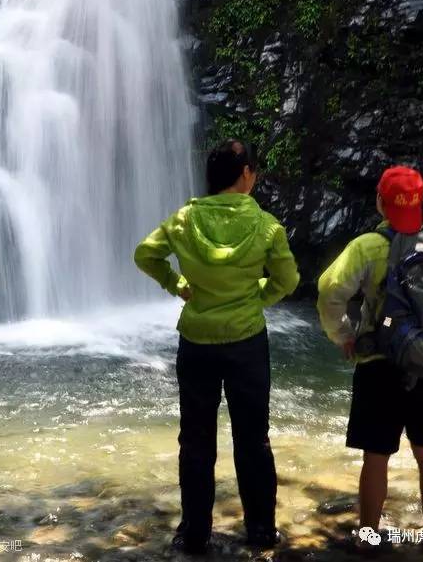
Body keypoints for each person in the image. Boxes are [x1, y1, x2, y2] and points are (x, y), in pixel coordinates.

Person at [134, 139, 299, 555]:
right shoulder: (265, 226)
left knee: (195, 440)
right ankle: (260, 530)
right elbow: (288, 281)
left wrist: (178, 285)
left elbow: (145, 255)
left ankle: (194, 532)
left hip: (197, 343)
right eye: (254, 171)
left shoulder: (184, 220)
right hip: (246, 342)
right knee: (253, 439)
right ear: (245, 174)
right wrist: (254, 295)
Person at [317, 166, 423, 544]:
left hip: (378, 367)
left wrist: (343, 336)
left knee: (376, 456)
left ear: (380, 202)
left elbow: (329, 291)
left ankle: (370, 536)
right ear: (421, 202)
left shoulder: (367, 247)